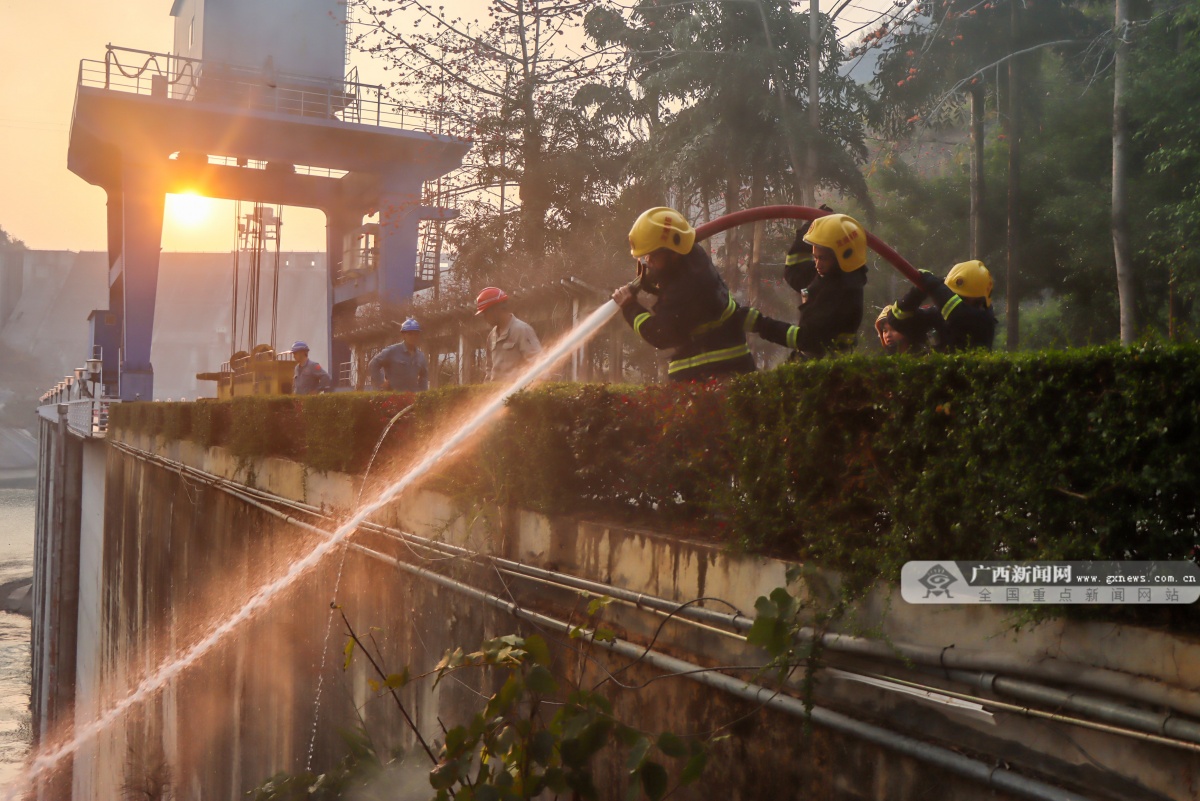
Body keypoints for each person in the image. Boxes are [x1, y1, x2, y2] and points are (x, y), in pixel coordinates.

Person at [611, 206, 756, 382]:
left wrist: (630, 307)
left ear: (673, 253)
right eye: (645, 257)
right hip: (715, 374)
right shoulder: (690, 261)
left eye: (653, 256)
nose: (648, 263)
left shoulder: (687, 286)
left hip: (710, 378)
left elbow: (660, 334)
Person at [747, 212, 869, 360]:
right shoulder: (829, 274)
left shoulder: (841, 292)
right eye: (815, 257)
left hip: (825, 367)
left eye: (822, 258)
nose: (817, 264)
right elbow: (794, 270)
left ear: (842, 256)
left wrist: (759, 324)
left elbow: (806, 340)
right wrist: (812, 226)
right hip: (813, 361)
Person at [888, 260, 997, 351]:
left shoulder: (984, 321)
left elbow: (959, 315)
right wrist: (918, 292)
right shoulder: (938, 316)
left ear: (979, 300)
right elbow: (897, 319)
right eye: (951, 293)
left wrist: (933, 286)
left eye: (961, 297)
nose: (953, 299)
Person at [475, 287, 543, 382]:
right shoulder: (491, 336)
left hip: (518, 393)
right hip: (497, 393)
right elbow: (489, 370)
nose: (484, 318)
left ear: (496, 309)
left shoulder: (522, 330)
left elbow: (538, 363)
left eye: (485, 313)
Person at [368, 317, 429, 392]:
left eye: (416, 334)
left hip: (412, 398)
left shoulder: (421, 356)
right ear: (403, 335)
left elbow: (424, 376)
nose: (413, 337)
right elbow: (373, 364)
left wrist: (422, 393)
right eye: (410, 334)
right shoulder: (392, 351)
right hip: (393, 397)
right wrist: (381, 382)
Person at [874, 304, 941, 355]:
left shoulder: (927, 357)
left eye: (894, 329)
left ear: (907, 330)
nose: (888, 335)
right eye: (885, 331)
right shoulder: (882, 363)